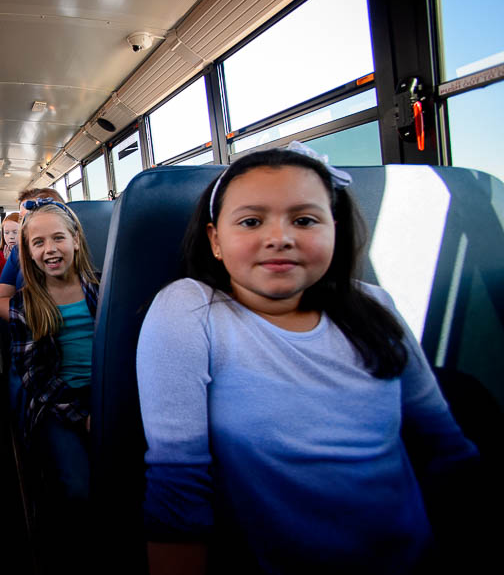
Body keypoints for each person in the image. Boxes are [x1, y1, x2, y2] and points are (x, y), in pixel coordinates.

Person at [136, 143, 479, 574]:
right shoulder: (191, 309)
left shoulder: (374, 306)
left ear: (334, 230)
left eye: (304, 220)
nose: (280, 237)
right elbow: (178, 482)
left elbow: (446, 449)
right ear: (215, 240)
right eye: (251, 221)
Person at [8, 198, 98, 574]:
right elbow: (34, 376)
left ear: (76, 240)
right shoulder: (25, 304)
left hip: (107, 395)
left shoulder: (103, 288)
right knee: (78, 488)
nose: (50, 249)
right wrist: (83, 416)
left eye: (58, 238)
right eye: (39, 243)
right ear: (28, 253)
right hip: (56, 403)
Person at [0, 188, 64, 322]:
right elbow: (1, 298)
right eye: (21, 218)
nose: (25, 224)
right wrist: (29, 318)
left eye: (31, 216)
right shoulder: (18, 252)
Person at [0, 213, 19, 298]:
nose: (11, 237)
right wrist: (8, 265)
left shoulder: (32, 254)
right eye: (6, 232)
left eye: (15, 232)